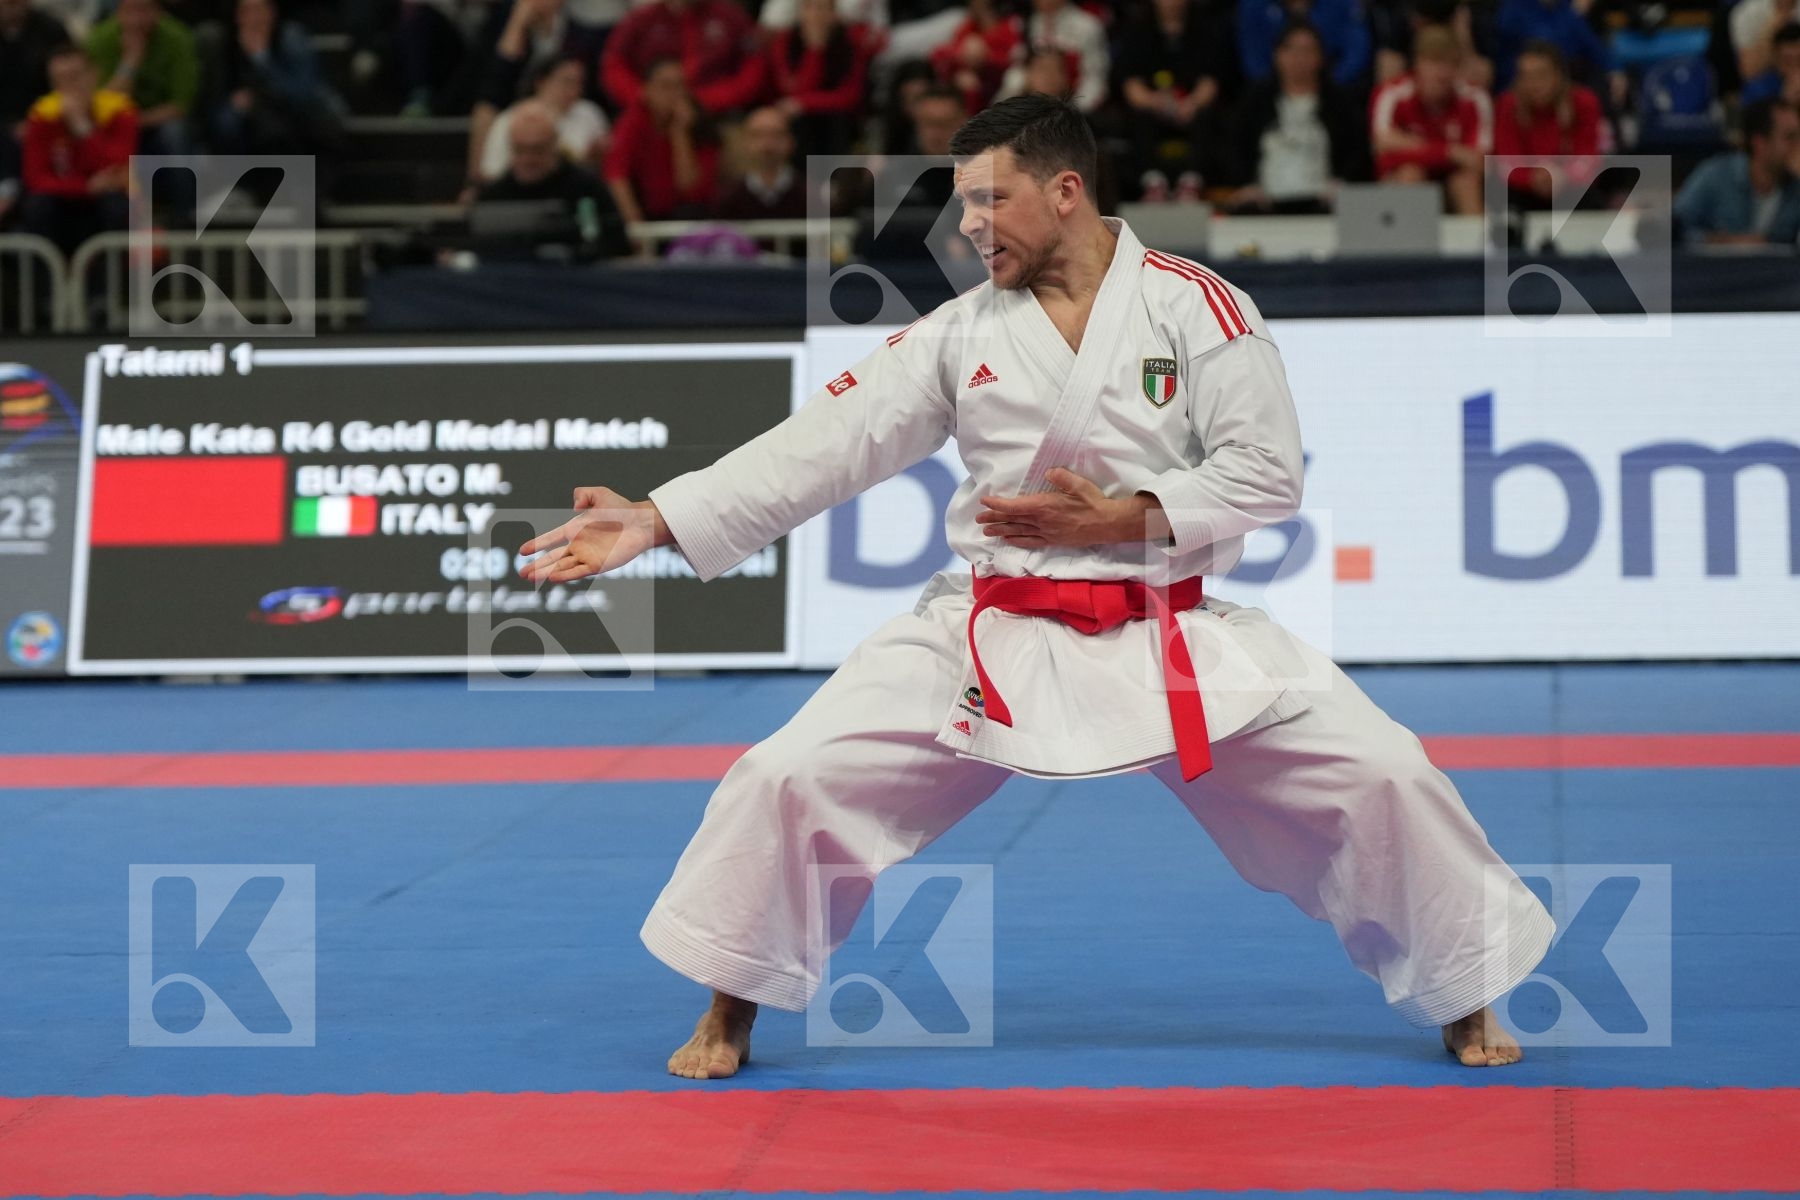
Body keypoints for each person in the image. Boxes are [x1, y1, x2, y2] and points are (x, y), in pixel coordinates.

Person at [520, 93, 1554, 1080]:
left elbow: (1268, 473)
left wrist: (1125, 518)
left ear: (1066, 192)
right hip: (992, 631)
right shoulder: (962, 330)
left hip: (1166, 629)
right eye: (962, 201)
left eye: (988, 198)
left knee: (1385, 773)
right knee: (786, 774)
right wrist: (656, 518)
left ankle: (1466, 989)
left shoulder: (1200, 308)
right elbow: (825, 445)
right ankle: (730, 1001)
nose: (968, 223)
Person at [1229, 20, 1371, 212]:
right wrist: (1247, 184)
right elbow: (1236, 148)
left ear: (1320, 57)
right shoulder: (1255, 101)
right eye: (1291, 49)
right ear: (1277, 55)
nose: (1299, 58)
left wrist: (1340, 183)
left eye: (1307, 50)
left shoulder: (1339, 103)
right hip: (1265, 200)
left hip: (1322, 200)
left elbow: (1356, 152)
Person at [472, 99, 630, 257]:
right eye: (520, 149)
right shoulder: (493, 197)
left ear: (554, 145)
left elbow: (616, 243)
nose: (528, 159)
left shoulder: (586, 189)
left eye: (537, 149)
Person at [20, 42, 134, 253]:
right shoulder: (41, 117)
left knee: (116, 204)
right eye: (59, 80)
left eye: (75, 77)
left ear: (93, 75)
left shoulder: (120, 112)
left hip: (102, 201)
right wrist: (85, 187)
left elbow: (117, 168)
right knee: (38, 206)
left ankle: (107, 284)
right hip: (64, 200)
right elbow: (35, 178)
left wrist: (83, 129)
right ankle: (46, 284)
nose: (68, 86)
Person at [1117, 0, 1236, 201]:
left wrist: (1191, 104)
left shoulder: (1206, 32)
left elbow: (1210, 81)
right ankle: (1152, 182)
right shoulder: (1137, 33)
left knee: (1208, 116)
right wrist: (1156, 102)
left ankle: (1191, 181)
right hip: (1153, 110)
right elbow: (1131, 86)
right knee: (1138, 118)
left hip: (1191, 110)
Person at [200, 0, 347, 159]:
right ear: (237, 16)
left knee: (281, 122)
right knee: (226, 118)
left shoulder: (290, 37)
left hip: (295, 107)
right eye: (246, 11)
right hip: (254, 108)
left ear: (272, 12)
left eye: (259, 10)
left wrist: (261, 58)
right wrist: (237, 98)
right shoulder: (227, 41)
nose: (254, 18)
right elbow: (219, 88)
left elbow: (302, 93)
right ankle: (237, 177)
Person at [1370, 24, 1491, 214]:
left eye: (1449, 63)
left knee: (1466, 181)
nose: (1442, 73)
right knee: (1410, 174)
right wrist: (1449, 151)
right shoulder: (1393, 94)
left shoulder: (1474, 98)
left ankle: (1477, 241)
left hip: (1457, 179)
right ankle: (1407, 242)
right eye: (1434, 62)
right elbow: (1382, 146)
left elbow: (1479, 160)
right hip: (1408, 178)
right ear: (1417, 64)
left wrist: (1412, 146)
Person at [600, 0, 765, 117]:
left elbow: (754, 65)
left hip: (718, 116)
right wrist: (645, 97)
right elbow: (614, 64)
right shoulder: (641, 19)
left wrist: (711, 99)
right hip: (651, 118)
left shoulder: (731, 17)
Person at [603, 56, 720, 221]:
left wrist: (679, 133)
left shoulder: (702, 125)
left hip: (690, 215)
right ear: (646, 90)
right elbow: (616, 174)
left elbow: (689, 188)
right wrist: (635, 225)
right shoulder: (634, 121)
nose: (675, 94)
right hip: (647, 213)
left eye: (680, 86)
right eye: (666, 86)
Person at [1672, 97, 1800, 245]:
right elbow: (1674, 229)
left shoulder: (1795, 187)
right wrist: (1722, 241)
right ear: (1760, 143)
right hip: (1718, 267)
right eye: (1790, 137)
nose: (1798, 146)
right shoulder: (1716, 176)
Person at [1492, 38, 1603, 206]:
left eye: (1541, 75)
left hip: (1569, 187)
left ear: (1558, 75)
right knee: (1502, 195)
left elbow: (1589, 156)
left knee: (1589, 197)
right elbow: (1506, 159)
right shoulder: (1508, 104)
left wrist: (1563, 176)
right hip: (1524, 189)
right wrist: (1531, 177)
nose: (1534, 84)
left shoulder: (1584, 102)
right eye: (1526, 76)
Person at [85, 0, 198, 157]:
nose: (136, 20)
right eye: (130, 11)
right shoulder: (100, 39)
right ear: (118, 12)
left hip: (159, 120)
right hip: (116, 123)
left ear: (159, 12)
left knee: (175, 131)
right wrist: (130, 62)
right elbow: (101, 106)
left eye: (144, 10)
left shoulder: (177, 37)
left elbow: (180, 105)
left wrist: (137, 121)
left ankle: (187, 181)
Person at [479, 55, 609, 184]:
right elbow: (491, 172)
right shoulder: (511, 119)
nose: (574, 90)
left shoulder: (590, 113)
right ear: (541, 82)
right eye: (567, 82)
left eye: (579, 83)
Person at [766, 0, 870, 159]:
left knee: (836, 122)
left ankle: (835, 179)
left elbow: (851, 95)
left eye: (822, 8)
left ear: (834, 14)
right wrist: (814, 51)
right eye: (809, 7)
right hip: (797, 119)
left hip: (837, 120)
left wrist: (804, 103)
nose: (815, 15)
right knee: (799, 124)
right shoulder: (784, 43)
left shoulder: (849, 43)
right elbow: (792, 88)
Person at [997, 0, 1109, 115]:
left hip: (1073, 111)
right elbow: (1016, 72)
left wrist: (1072, 114)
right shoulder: (1025, 23)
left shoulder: (1088, 27)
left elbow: (1094, 80)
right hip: (1030, 108)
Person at [1239, 0, 1372, 89]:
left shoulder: (1342, 4)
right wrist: (1277, 90)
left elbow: (1356, 53)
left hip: (1332, 86)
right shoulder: (1254, 6)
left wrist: (1329, 87)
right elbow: (1253, 59)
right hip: (1270, 89)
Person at [928, 0, 1021, 113]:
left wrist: (986, 58)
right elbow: (938, 54)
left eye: (984, 6)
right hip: (967, 82)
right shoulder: (969, 27)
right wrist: (961, 55)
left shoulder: (1011, 25)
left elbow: (1014, 59)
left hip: (998, 83)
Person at [717, 103, 806, 219]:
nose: (767, 145)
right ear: (745, 142)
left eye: (776, 135)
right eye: (758, 135)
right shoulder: (727, 199)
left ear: (791, 141)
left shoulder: (811, 196)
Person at [1742, 22, 1800, 106]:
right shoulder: (1758, 89)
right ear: (1775, 57)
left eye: (1798, 60)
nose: (1794, 67)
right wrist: (1784, 100)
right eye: (1788, 61)